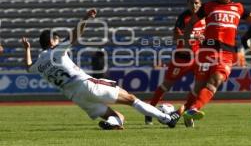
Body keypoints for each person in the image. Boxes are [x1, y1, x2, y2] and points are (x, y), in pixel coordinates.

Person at [21, 8, 179, 130]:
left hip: (76, 97)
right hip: (86, 85)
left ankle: (112, 123)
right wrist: (85, 18)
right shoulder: (56, 51)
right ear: (51, 41)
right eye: (57, 38)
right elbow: (75, 35)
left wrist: (27, 49)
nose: (59, 39)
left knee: (119, 117)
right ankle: (167, 119)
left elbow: (28, 68)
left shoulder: (40, 64)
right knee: (131, 99)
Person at [145, 0, 206, 126]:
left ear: (200, 4)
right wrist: (194, 38)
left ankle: (188, 113)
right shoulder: (183, 18)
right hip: (181, 59)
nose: (194, 5)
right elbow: (175, 38)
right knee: (166, 86)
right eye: (191, 3)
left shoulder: (204, 17)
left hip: (197, 59)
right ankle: (149, 112)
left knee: (200, 87)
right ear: (187, 4)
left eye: (196, 3)